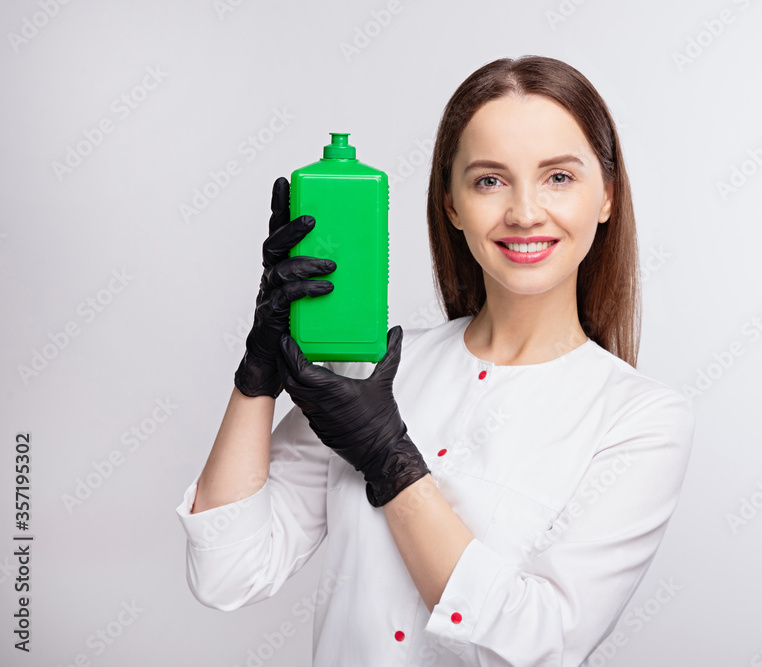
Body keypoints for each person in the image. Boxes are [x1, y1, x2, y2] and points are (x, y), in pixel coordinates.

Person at [175, 54, 695, 667]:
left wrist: (391, 463)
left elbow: (537, 644)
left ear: (606, 195)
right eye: (489, 180)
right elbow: (227, 571)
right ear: (450, 204)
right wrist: (257, 376)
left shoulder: (642, 420)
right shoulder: (372, 374)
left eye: (558, 177)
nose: (525, 212)